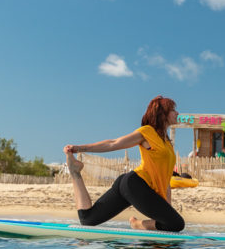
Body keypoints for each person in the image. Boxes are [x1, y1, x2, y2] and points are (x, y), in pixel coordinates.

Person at [63, 96, 184, 232]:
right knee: (176, 224)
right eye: (173, 110)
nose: (177, 113)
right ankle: (75, 172)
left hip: (132, 185)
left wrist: (167, 210)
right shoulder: (147, 132)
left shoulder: (168, 143)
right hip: (135, 184)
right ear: (162, 113)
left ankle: (75, 173)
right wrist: (80, 148)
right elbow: (113, 143)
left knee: (88, 220)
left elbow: (166, 179)